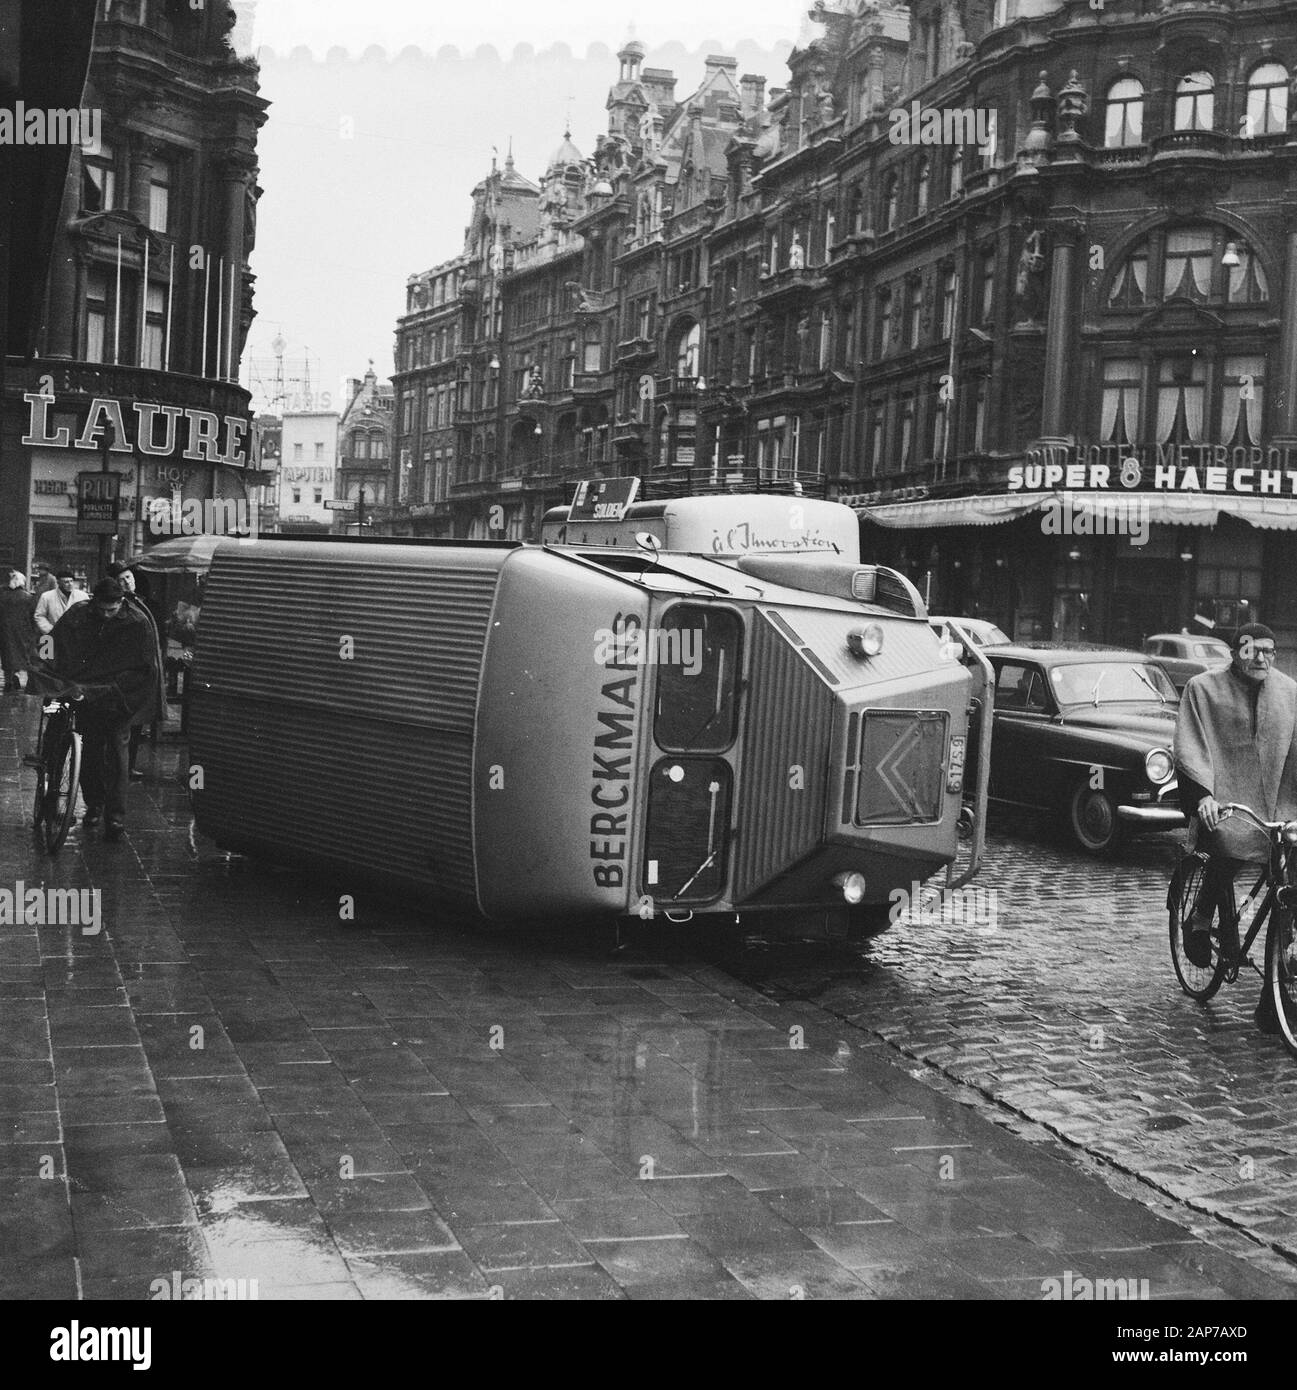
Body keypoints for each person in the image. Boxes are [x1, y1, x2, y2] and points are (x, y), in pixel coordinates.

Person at [1173, 623, 1297, 1034]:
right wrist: (1202, 797)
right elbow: (1190, 745)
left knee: (1290, 889)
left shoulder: (1289, 691)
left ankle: (1271, 1004)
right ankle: (1201, 917)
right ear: (1234, 653)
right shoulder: (1203, 689)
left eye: (1269, 651)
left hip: (1278, 804)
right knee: (1226, 843)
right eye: (1252, 651)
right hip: (1226, 800)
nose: (1261, 659)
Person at [50, 576, 159, 842]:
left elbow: (145, 668)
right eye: (101, 609)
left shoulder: (137, 622)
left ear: (122, 603)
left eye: (112, 610)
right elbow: (53, 642)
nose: (106, 615)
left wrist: (118, 692)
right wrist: (46, 667)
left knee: (119, 756)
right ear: (93, 602)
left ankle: (115, 817)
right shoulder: (78, 614)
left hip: (118, 698)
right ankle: (94, 805)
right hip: (86, 693)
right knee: (89, 753)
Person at [108, 562, 166, 780]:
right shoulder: (118, 606)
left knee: (137, 724)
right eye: (121, 580)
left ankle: (128, 765)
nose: (126, 583)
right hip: (127, 673)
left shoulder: (144, 603)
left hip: (146, 672)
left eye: (129, 578)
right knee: (125, 724)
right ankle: (120, 767)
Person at [0, 569, 38, 692]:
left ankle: (9, 681)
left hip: (5, 631)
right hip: (23, 631)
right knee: (24, 656)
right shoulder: (28, 597)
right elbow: (33, 616)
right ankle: (25, 681)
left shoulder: (3, 595)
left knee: (8, 656)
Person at [34, 568, 88, 635]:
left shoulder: (82, 596)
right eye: (66, 582)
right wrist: (51, 630)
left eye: (71, 581)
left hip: (76, 636)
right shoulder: (47, 596)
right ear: (58, 582)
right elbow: (39, 616)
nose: (70, 584)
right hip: (54, 635)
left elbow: (88, 616)